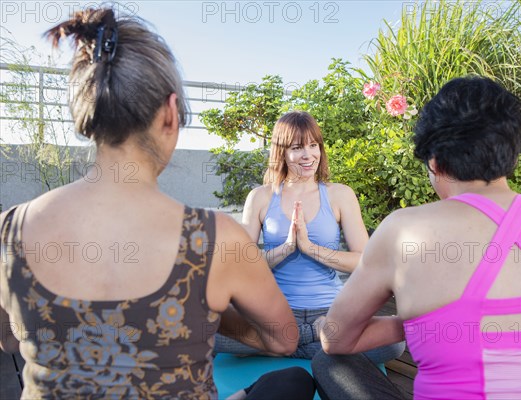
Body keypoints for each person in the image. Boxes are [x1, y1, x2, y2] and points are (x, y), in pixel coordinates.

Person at [0, 8, 316, 399]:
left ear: (87, 116)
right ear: (170, 114)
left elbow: (10, 342)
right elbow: (283, 340)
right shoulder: (214, 239)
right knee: (292, 381)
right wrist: (208, 314)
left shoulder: (9, 229)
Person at [311, 76, 521, 399]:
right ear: (511, 154)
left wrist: (415, 320)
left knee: (328, 362)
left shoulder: (403, 229)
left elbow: (336, 339)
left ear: (434, 162)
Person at [215, 110, 405, 363]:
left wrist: (310, 248)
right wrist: (286, 248)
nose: (308, 155)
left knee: (395, 344)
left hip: (331, 313)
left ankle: (280, 346)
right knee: (207, 327)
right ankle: (315, 341)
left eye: (313, 145)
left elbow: (365, 262)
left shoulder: (340, 195)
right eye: (297, 148)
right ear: (281, 152)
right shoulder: (260, 197)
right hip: (273, 312)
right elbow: (242, 268)